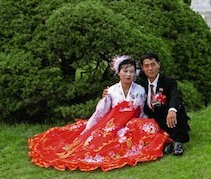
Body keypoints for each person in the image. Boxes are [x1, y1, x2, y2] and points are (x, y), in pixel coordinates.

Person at [28, 55, 171, 171]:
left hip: (131, 123)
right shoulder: (111, 91)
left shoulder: (140, 90)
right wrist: (88, 128)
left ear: (136, 73)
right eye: (125, 71)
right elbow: (101, 112)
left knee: (148, 129)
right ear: (118, 72)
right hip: (112, 124)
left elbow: (142, 112)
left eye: (132, 71)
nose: (128, 75)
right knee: (97, 142)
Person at [139, 53, 190, 156]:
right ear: (142, 68)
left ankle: (178, 142)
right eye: (146, 66)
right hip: (152, 119)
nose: (150, 69)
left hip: (167, 117)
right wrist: (107, 93)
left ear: (159, 64)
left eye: (153, 64)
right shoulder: (140, 84)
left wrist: (172, 110)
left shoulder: (168, 82)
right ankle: (166, 142)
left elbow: (176, 95)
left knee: (177, 108)